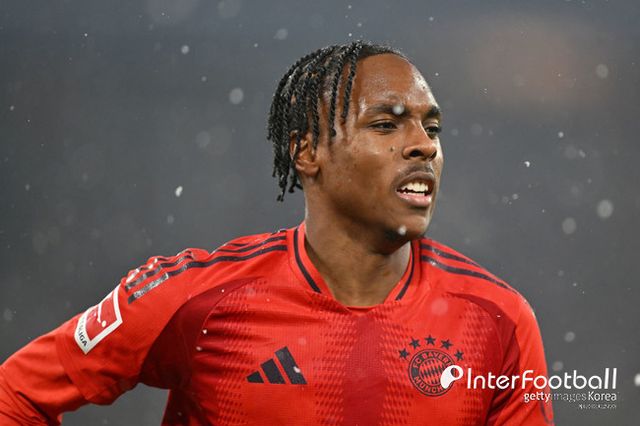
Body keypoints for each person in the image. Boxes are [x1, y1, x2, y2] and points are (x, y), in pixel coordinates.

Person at [0, 41, 554, 425]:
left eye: (432, 127)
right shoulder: (196, 298)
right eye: (386, 124)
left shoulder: (498, 320)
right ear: (307, 152)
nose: (424, 145)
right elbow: (15, 395)